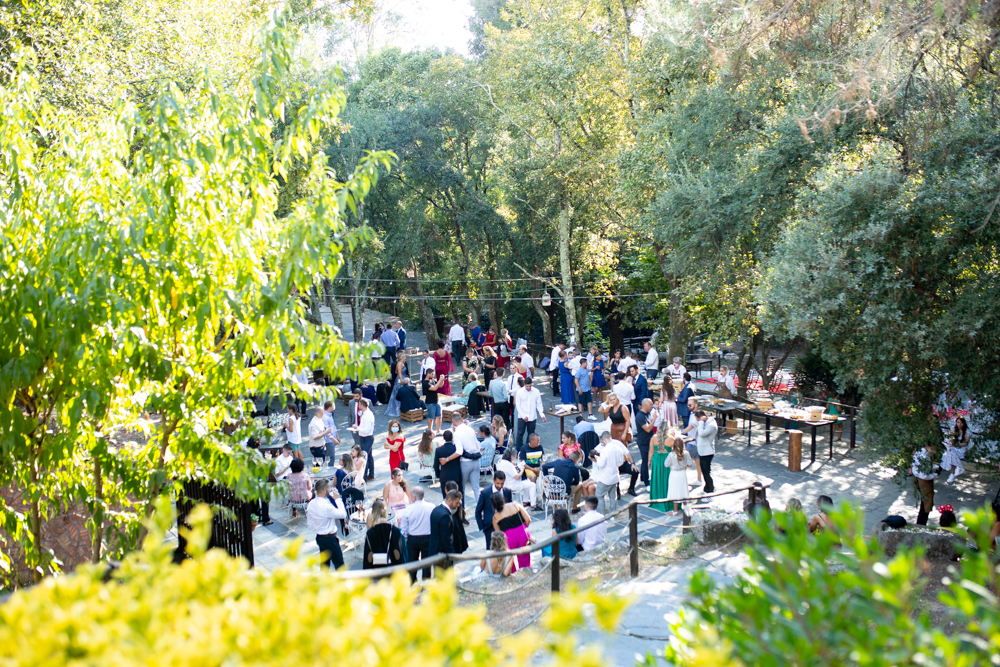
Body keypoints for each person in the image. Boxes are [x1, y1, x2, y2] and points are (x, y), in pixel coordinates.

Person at [307, 479, 347, 569]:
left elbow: (309, 521)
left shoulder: (311, 504)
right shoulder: (327, 507)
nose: (330, 489)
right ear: (324, 489)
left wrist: (318, 529)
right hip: (330, 539)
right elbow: (343, 514)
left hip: (320, 537)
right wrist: (338, 499)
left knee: (324, 565)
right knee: (339, 565)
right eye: (329, 487)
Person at [398, 486, 435, 581]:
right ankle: (426, 583)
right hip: (427, 537)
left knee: (412, 562)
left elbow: (404, 528)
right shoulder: (431, 506)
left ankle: (413, 581)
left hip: (413, 539)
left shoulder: (408, 509)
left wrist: (406, 536)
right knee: (426, 563)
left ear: (414, 497)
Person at [491, 492, 533, 570]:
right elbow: (528, 519)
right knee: (525, 558)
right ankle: (526, 573)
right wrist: (523, 528)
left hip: (508, 539)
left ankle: (512, 574)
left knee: (508, 560)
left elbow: (498, 535)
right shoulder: (515, 504)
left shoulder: (495, 517)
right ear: (503, 499)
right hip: (523, 534)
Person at [449, 413, 482, 510]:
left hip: (465, 462)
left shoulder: (457, 434)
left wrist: (447, 459)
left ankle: (462, 510)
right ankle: (481, 510)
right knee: (476, 488)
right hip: (476, 461)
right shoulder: (470, 429)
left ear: (453, 422)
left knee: (461, 488)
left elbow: (459, 451)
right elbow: (478, 445)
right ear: (461, 419)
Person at [363, 499, 406, 569]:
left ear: (373, 512)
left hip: (376, 569)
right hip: (392, 568)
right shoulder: (394, 530)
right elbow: (398, 553)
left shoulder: (370, 533)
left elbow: (368, 556)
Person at [475, 470, 513, 548]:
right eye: (498, 483)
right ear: (493, 480)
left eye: (502, 483)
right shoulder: (485, 493)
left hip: (504, 525)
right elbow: (478, 511)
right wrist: (482, 528)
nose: (500, 486)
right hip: (490, 527)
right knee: (490, 549)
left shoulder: (507, 492)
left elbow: (510, 508)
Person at [590, 432, 626, 514]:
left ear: (604, 439)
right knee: (613, 496)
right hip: (615, 476)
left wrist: (597, 458)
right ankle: (612, 514)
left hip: (605, 477)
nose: (602, 444)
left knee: (599, 496)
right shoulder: (618, 448)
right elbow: (621, 462)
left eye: (602, 442)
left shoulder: (605, 450)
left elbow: (601, 464)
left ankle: (601, 515)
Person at [665, 434, 694, 515]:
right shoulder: (686, 453)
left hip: (674, 474)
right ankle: (685, 508)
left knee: (675, 491)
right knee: (683, 489)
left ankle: (675, 511)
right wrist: (685, 466)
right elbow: (690, 464)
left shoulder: (671, 454)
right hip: (682, 473)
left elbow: (666, 464)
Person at [514, 376, 547, 449]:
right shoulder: (520, 392)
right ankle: (518, 449)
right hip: (522, 416)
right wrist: (523, 416)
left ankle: (527, 449)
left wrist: (542, 414)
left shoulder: (536, 391)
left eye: (529, 386)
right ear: (524, 384)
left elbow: (539, 404)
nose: (528, 388)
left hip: (532, 416)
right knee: (520, 433)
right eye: (527, 386)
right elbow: (518, 405)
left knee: (531, 434)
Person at [429, 489, 464, 558]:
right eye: (456, 503)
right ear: (449, 500)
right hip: (442, 554)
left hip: (433, 550)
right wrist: (452, 554)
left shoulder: (436, 509)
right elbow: (446, 539)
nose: (458, 505)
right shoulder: (446, 516)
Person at [911, 442, 938, 525]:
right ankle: (921, 524)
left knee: (925, 505)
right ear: (928, 446)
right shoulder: (924, 456)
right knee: (926, 505)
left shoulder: (919, 452)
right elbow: (924, 475)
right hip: (923, 481)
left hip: (918, 479)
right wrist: (935, 474)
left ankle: (921, 523)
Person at [433, 429, 463, 498]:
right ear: (452, 437)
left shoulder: (439, 450)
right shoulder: (456, 449)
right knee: (457, 496)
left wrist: (439, 474)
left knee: (445, 497)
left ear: (443, 438)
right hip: (456, 475)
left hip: (444, 475)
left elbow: (436, 465)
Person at [649, 431, 674, 512]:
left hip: (656, 459)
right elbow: (675, 452)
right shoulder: (671, 439)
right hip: (667, 459)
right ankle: (668, 502)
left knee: (657, 479)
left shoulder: (654, 437)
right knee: (667, 479)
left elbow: (651, 451)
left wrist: (649, 461)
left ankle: (656, 501)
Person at [693, 410, 717, 493]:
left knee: (706, 472)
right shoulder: (705, 422)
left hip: (707, 452)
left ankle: (710, 490)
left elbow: (702, 433)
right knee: (704, 471)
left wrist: (700, 422)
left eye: (697, 419)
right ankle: (707, 487)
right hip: (703, 451)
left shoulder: (711, 425)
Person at [634, 398, 656, 491]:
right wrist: (654, 419)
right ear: (645, 405)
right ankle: (647, 483)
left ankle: (642, 479)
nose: (652, 406)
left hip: (649, 440)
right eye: (651, 404)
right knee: (646, 461)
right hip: (643, 441)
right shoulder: (640, 416)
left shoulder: (648, 414)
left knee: (644, 460)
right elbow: (647, 429)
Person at [942, 416, 971, 483]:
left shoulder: (967, 431)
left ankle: (953, 474)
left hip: (962, 449)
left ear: (964, 423)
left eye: (961, 423)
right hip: (954, 448)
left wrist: (956, 445)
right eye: (958, 422)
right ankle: (958, 468)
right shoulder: (954, 429)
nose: (959, 424)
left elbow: (965, 443)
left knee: (951, 452)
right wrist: (953, 438)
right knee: (951, 451)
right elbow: (952, 441)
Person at [353, 398, 375, 481]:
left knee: (364, 457)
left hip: (367, 438)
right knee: (369, 456)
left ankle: (364, 476)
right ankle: (371, 474)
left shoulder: (367, 415)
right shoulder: (366, 414)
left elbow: (366, 430)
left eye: (359, 405)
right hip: (365, 438)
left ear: (362, 405)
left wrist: (357, 428)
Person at [384, 351, 408, 419]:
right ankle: (398, 410)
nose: (405, 358)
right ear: (402, 357)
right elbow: (399, 373)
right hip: (400, 379)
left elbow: (395, 371)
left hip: (402, 378)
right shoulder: (400, 363)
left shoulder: (400, 363)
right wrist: (401, 380)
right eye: (404, 357)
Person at [422, 369, 446, 433]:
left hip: (437, 401)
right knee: (431, 418)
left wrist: (442, 380)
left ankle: (438, 430)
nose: (433, 375)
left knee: (439, 416)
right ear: (428, 374)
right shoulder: (425, 383)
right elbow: (434, 388)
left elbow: (440, 385)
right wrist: (440, 380)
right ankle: (430, 431)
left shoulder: (432, 380)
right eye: (432, 374)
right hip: (430, 402)